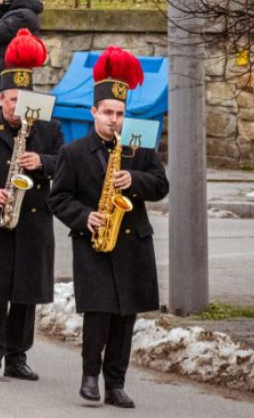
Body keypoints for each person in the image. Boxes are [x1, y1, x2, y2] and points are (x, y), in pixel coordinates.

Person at [49, 47, 169, 409]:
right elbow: (59, 199)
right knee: (98, 314)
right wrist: (86, 217)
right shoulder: (72, 153)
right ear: (94, 113)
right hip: (94, 241)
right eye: (107, 113)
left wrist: (133, 178)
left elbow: (161, 185)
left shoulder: (139, 146)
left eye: (119, 113)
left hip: (132, 244)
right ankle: (90, 377)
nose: (114, 120)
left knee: (124, 317)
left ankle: (115, 383)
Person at [0, 32, 63, 382]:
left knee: (26, 292)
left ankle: (18, 355)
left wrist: (45, 162)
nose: (16, 106)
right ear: (0, 99)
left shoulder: (48, 130)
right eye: (10, 100)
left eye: (23, 99)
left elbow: (65, 166)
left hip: (33, 220)